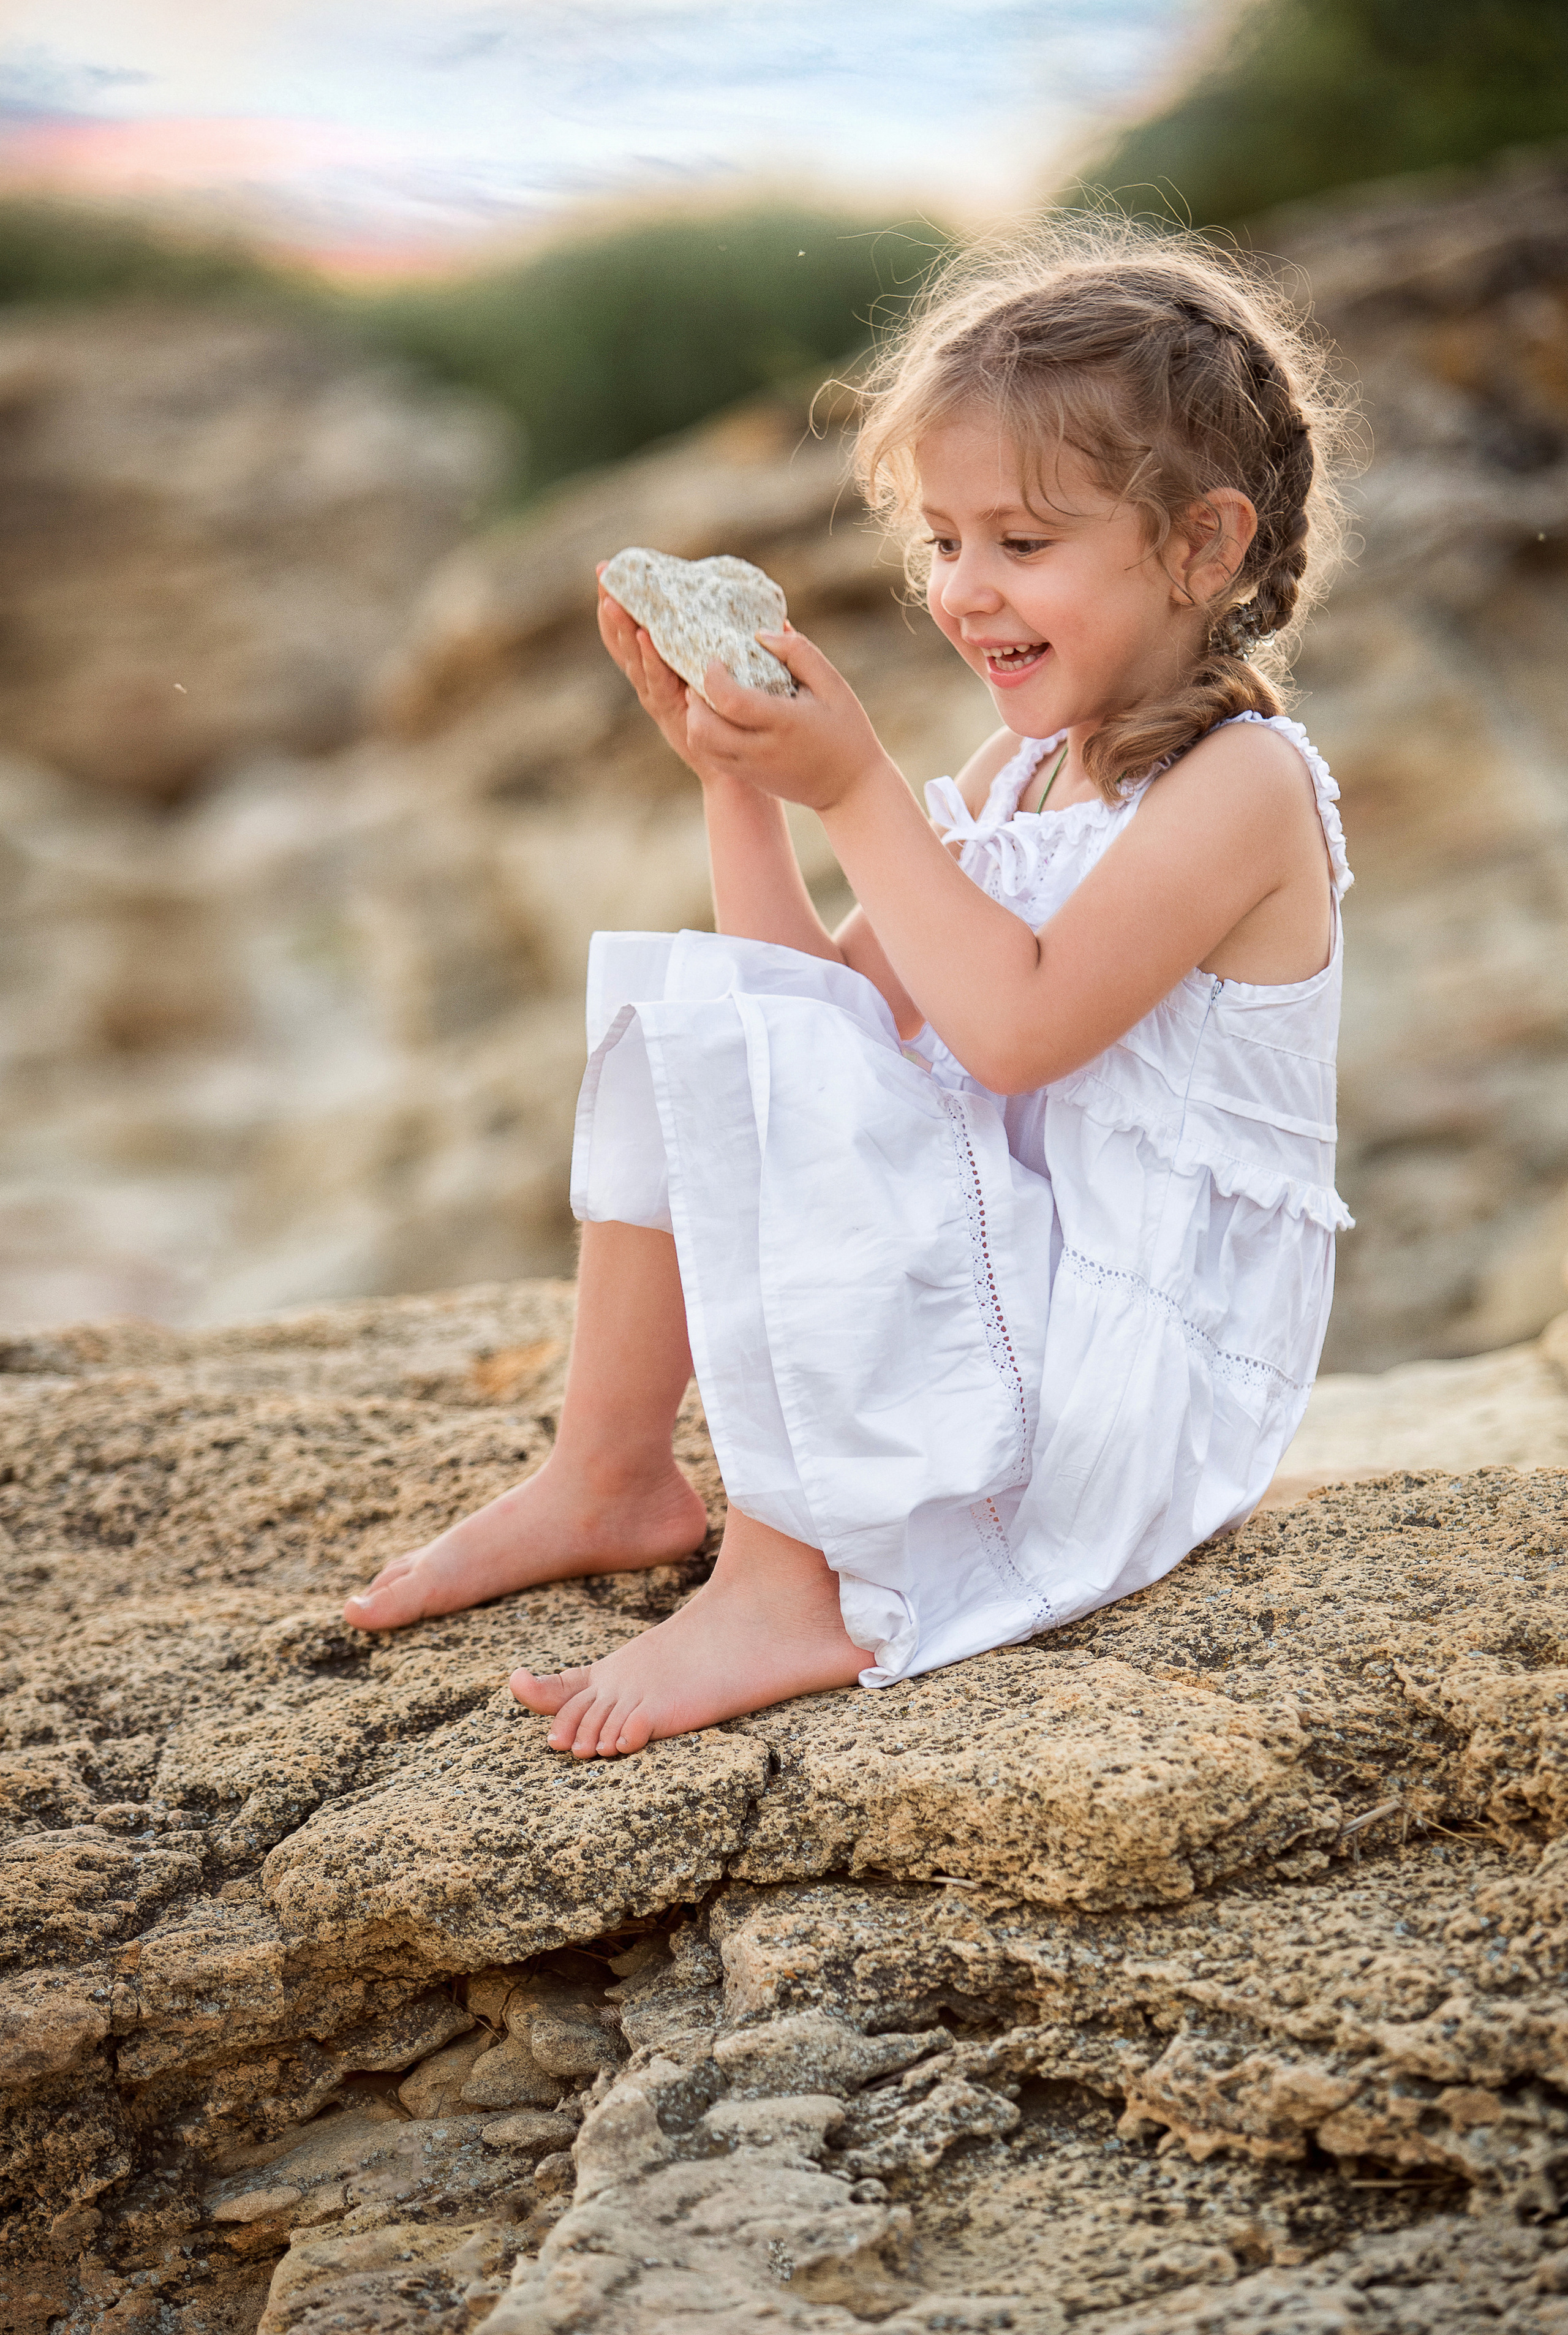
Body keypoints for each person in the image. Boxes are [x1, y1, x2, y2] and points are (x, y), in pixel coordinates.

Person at [343, 217, 1356, 1764]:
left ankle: (792, 1582)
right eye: (943, 543)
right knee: (697, 1010)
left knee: (793, 1066)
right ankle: (609, 1473)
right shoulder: (1018, 772)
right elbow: (818, 1014)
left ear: (1202, 547)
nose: (965, 592)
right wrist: (738, 784)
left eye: (1023, 545)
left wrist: (857, 787)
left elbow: (1014, 1038)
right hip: (1015, 1307)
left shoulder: (1241, 787)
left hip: (1127, 1375)